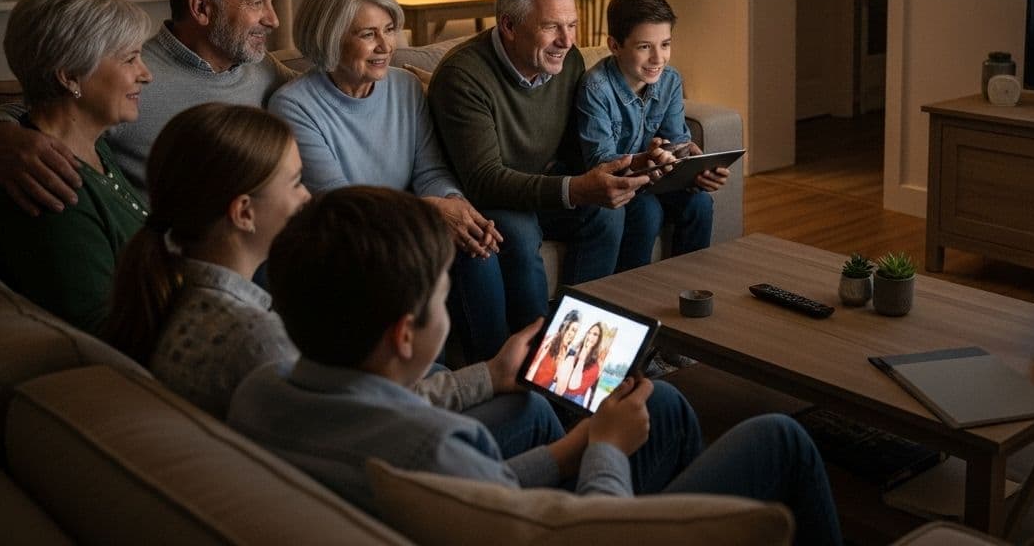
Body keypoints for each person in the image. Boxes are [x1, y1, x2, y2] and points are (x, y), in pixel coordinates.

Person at [227, 186, 843, 545]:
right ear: (406, 335)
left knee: (662, 404)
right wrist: (601, 448)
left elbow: (488, 501)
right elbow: (583, 532)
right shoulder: (435, 447)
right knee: (781, 439)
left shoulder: (260, 390)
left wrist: (568, 448)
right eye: (443, 294)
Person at [428, 0, 659, 363]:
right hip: (490, 195)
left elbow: (574, 147)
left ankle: (585, 356)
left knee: (610, 214)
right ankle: (538, 365)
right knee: (515, 233)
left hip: (542, 182)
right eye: (552, 26)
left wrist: (631, 162)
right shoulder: (462, 75)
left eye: (571, 25)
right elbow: (484, 179)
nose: (567, 41)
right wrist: (576, 188)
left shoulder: (564, 62)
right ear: (509, 26)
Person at [0, 0, 290, 215]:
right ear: (201, 8)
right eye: (257, 2)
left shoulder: (260, 64)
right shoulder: (127, 76)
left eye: (270, 1)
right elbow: (40, 110)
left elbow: (324, 90)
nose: (273, 20)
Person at [269, 0, 499, 258]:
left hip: (411, 223)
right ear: (330, 38)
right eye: (368, 34)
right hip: (352, 238)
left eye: (389, 30)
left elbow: (430, 171)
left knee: (479, 249)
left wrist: (454, 203)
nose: (386, 45)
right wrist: (432, 209)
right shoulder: (293, 105)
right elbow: (341, 201)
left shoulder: (406, 86)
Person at [0, 0, 153, 333]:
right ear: (69, 76)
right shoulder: (49, 182)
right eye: (130, 59)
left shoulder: (92, 148)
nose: (146, 74)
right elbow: (100, 330)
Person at [103, 103, 309, 417]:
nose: (307, 196)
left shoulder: (166, 295)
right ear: (243, 213)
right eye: (296, 183)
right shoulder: (258, 339)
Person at [576, 0, 728, 271]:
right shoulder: (595, 87)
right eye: (645, 47)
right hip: (622, 185)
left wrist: (694, 169)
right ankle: (636, 298)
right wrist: (648, 160)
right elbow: (601, 164)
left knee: (700, 205)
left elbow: (677, 141)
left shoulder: (670, 80)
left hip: (657, 179)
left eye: (665, 44)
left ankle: (687, 288)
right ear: (615, 45)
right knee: (646, 212)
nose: (658, 58)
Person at [525, 309, 579, 389]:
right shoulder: (548, 342)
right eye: (572, 330)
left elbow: (555, 378)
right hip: (530, 389)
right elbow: (532, 368)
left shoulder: (565, 350)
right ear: (565, 327)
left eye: (575, 332)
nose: (573, 335)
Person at [557, 321, 605, 407]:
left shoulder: (595, 367)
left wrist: (581, 360)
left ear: (598, 339)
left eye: (595, 334)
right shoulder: (573, 353)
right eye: (589, 333)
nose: (590, 336)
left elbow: (572, 386)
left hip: (574, 400)